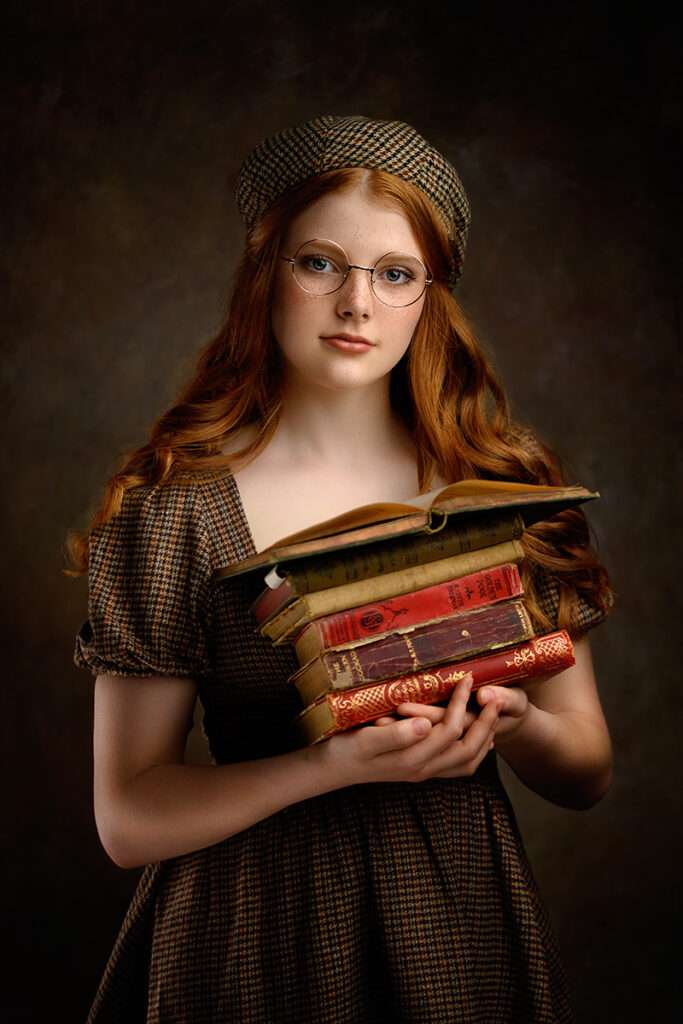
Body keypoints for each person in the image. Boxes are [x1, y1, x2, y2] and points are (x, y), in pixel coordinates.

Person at [67, 115, 614, 1023]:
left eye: (394, 274)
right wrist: (331, 766)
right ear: (263, 272)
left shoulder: (497, 490)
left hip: (458, 916)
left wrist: (512, 717)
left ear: (428, 295)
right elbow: (128, 818)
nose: (356, 303)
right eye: (319, 262)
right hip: (249, 928)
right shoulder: (172, 509)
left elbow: (586, 767)